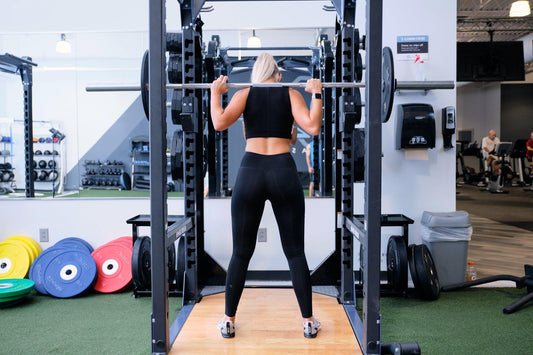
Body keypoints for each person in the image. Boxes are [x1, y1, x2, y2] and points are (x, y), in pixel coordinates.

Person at [210, 53, 323, 339]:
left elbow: (219, 123)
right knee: (295, 252)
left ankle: (228, 320)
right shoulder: (291, 94)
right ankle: (308, 322)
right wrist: (318, 93)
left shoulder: (245, 94)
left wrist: (215, 93)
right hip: (283, 172)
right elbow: (313, 127)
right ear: (277, 75)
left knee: (240, 253)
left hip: (251, 173)